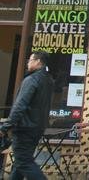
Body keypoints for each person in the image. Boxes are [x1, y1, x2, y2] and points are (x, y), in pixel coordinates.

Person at [0, 51, 54, 180]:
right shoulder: (48, 81)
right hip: (37, 128)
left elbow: (20, 106)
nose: (28, 62)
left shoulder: (31, 80)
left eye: (30, 59)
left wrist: (5, 127)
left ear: (38, 62)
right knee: (20, 164)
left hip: (25, 128)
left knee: (24, 162)